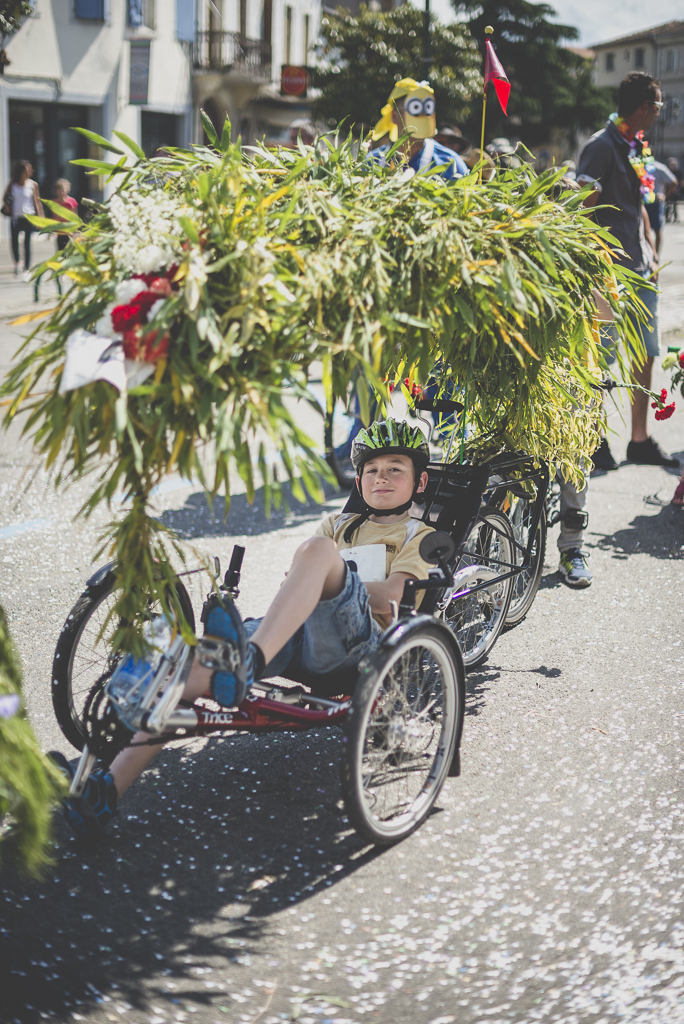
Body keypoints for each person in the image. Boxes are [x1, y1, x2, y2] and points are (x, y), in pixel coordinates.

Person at [51, 419, 437, 836]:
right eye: (372, 470)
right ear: (358, 480)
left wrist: (330, 575)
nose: (382, 477)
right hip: (295, 634)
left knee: (320, 553)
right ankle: (104, 791)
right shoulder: (337, 526)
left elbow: (394, 598)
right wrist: (314, 576)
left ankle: (246, 658)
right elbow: (296, 580)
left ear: (420, 482)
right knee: (191, 663)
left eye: (396, 469)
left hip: (361, 645)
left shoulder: (419, 534)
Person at [577, 71, 678, 471]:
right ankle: (592, 439)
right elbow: (584, 211)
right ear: (642, 107)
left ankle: (639, 441)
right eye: (657, 106)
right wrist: (594, 268)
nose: (658, 113)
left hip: (640, 271)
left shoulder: (639, 147)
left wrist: (652, 248)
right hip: (607, 274)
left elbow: (644, 209)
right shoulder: (601, 147)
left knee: (645, 355)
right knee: (598, 359)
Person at [370, 79, 468, 179]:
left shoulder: (450, 164)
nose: (423, 115)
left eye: (427, 109)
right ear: (395, 117)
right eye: (415, 108)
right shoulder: (372, 162)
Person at [3, 160, 42, 276]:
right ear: (20, 172)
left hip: (28, 216)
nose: (29, 172)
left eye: (30, 170)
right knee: (14, 242)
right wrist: (7, 205)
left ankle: (27, 267)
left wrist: (40, 218)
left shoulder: (33, 185)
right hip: (16, 217)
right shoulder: (13, 184)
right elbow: (5, 198)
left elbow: (37, 202)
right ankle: (18, 262)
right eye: (27, 170)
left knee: (27, 243)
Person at [647, 160, 678, 254]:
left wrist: (665, 196)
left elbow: (674, 182)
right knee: (645, 231)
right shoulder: (639, 166)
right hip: (642, 202)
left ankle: (655, 255)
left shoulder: (659, 167)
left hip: (655, 202)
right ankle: (650, 255)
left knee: (657, 230)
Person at [52, 178, 78, 251]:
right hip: (60, 232)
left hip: (69, 231)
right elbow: (55, 217)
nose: (61, 191)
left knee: (69, 250)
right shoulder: (55, 203)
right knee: (60, 251)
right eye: (59, 189)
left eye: (63, 189)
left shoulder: (71, 202)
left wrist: (74, 229)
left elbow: (75, 216)